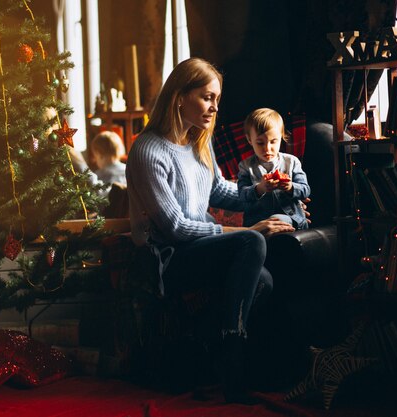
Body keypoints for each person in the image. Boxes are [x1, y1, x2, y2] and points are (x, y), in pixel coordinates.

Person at [125, 57, 295, 404]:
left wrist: (265, 191)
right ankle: (234, 356)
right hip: (167, 260)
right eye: (207, 97)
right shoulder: (147, 149)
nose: (215, 107)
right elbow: (174, 228)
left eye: (217, 98)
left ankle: (211, 348)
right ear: (179, 98)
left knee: (263, 280)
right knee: (250, 240)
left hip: (196, 250)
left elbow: (220, 191)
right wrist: (242, 231)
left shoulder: (198, 143)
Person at [238, 108, 311, 230]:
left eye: (273, 142)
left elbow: (305, 190)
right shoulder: (245, 166)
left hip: (290, 218)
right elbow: (242, 195)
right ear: (250, 140)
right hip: (257, 223)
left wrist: (291, 187)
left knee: (277, 219)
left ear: (281, 137)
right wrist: (259, 189)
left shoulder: (292, 162)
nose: (267, 148)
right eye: (260, 143)